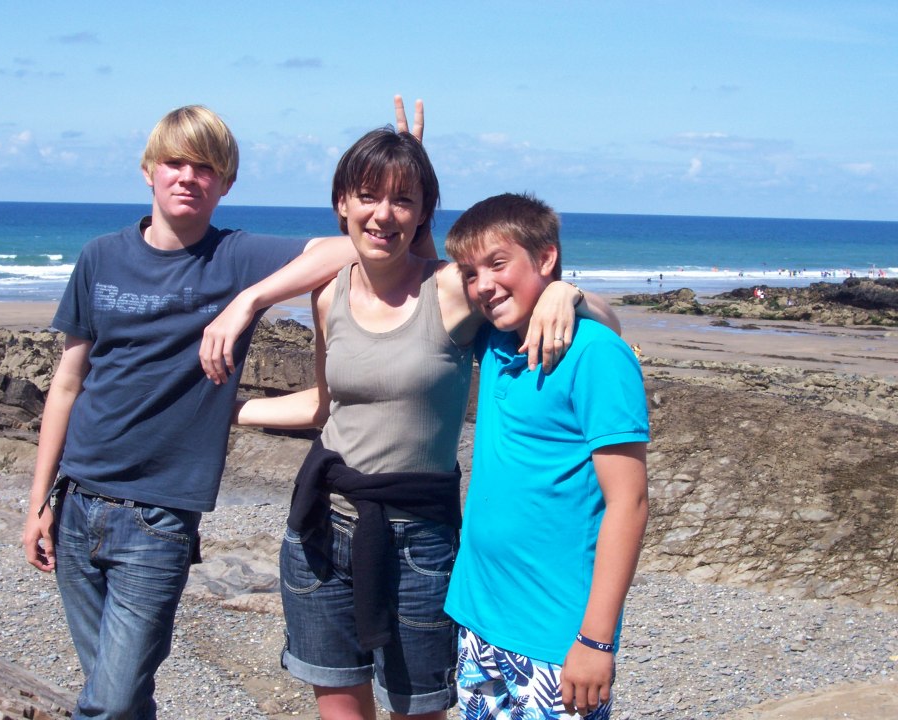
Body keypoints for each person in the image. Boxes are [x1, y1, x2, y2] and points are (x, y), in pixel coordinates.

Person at [202, 122, 620, 719]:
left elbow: (592, 316)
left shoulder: (450, 290)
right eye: (368, 196)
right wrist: (226, 412)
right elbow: (325, 405)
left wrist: (566, 293)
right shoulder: (327, 295)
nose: (383, 214)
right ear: (341, 202)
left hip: (419, 540)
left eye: (403, 199)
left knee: (417, 711)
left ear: (423, 213)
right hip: (324, 527)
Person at [18, 101, 419, 719]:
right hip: (76, 503)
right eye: (174, 162)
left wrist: (247, 301)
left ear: (225, 183)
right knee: (120, 698)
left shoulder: (235, 257)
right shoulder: (99, 255)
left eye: (205, 167)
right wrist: (39, 501)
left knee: (109, 701)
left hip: (158, 519)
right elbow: (68, 382)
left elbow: (350, 246)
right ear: (149, 169)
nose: (187, 176)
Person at [443, 193, 650, 720]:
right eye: (470, 273)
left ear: (546, 258)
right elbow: (407, 261)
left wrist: (596, 641)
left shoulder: (596, 354)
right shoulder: (492, 341)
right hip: (478, 616)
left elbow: (629, 504)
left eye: (497, 263)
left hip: (554, 637)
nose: (483, 284)